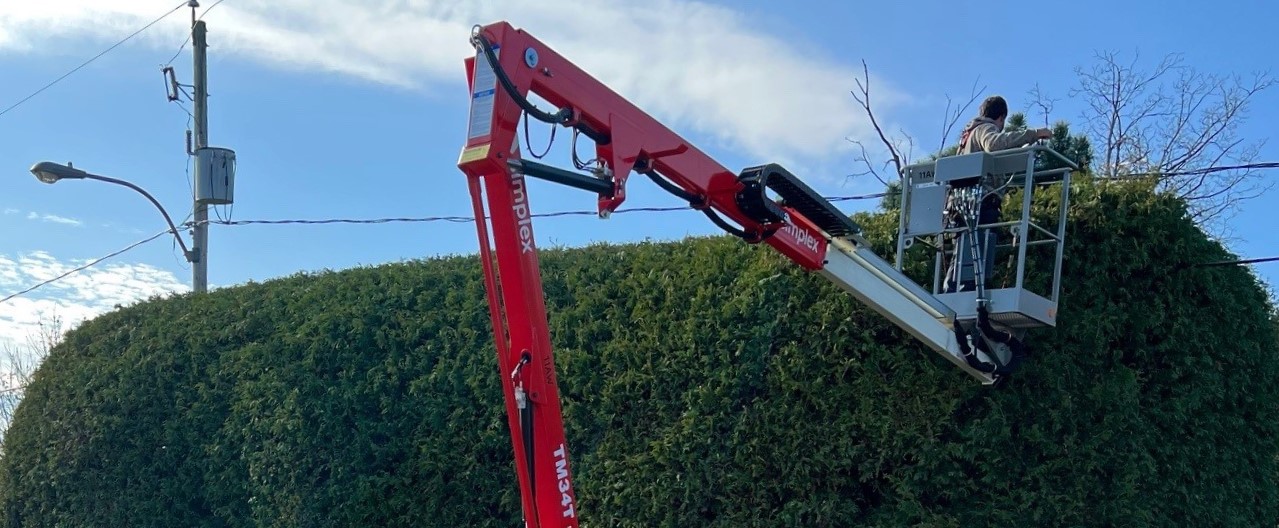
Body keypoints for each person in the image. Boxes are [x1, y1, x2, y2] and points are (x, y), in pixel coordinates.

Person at [942, 96, 1052, 294]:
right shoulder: (985, 129)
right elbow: (994, 144)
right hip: (979, 202)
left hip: (963, 204)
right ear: (1001, 118)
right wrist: (1033, 135)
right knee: (976, 250)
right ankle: (970, 292)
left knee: (964, 251)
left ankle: (954, 290)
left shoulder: (968, 136)